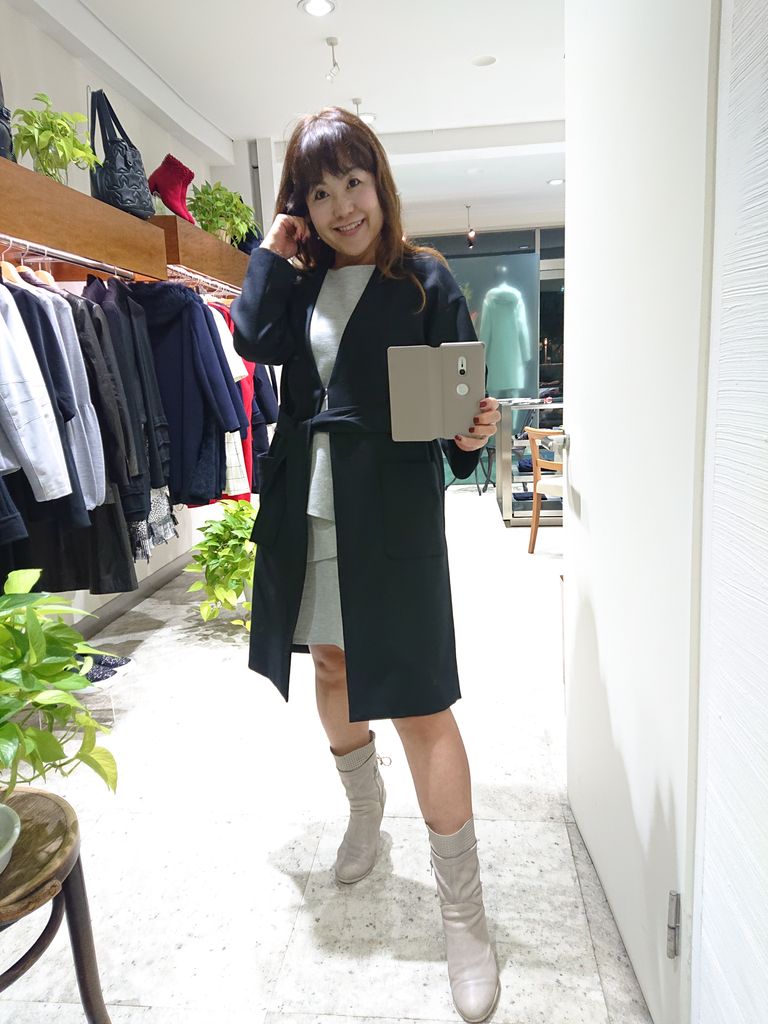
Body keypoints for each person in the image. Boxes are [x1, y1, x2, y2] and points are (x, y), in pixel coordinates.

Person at [232, 106, 501, 1024]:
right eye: (319, 192)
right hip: (309, 506)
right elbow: (251, 338)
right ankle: (363, 814)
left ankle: (463, 914)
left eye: (354, 182)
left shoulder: (426, 280)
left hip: (390, 509)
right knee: (334, 666)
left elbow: (459, 416)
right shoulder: (300, 281)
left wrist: (473, 432)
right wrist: (272, 250)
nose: (342, 206)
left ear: (380, 183)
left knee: (421, 699)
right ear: (300, 207)